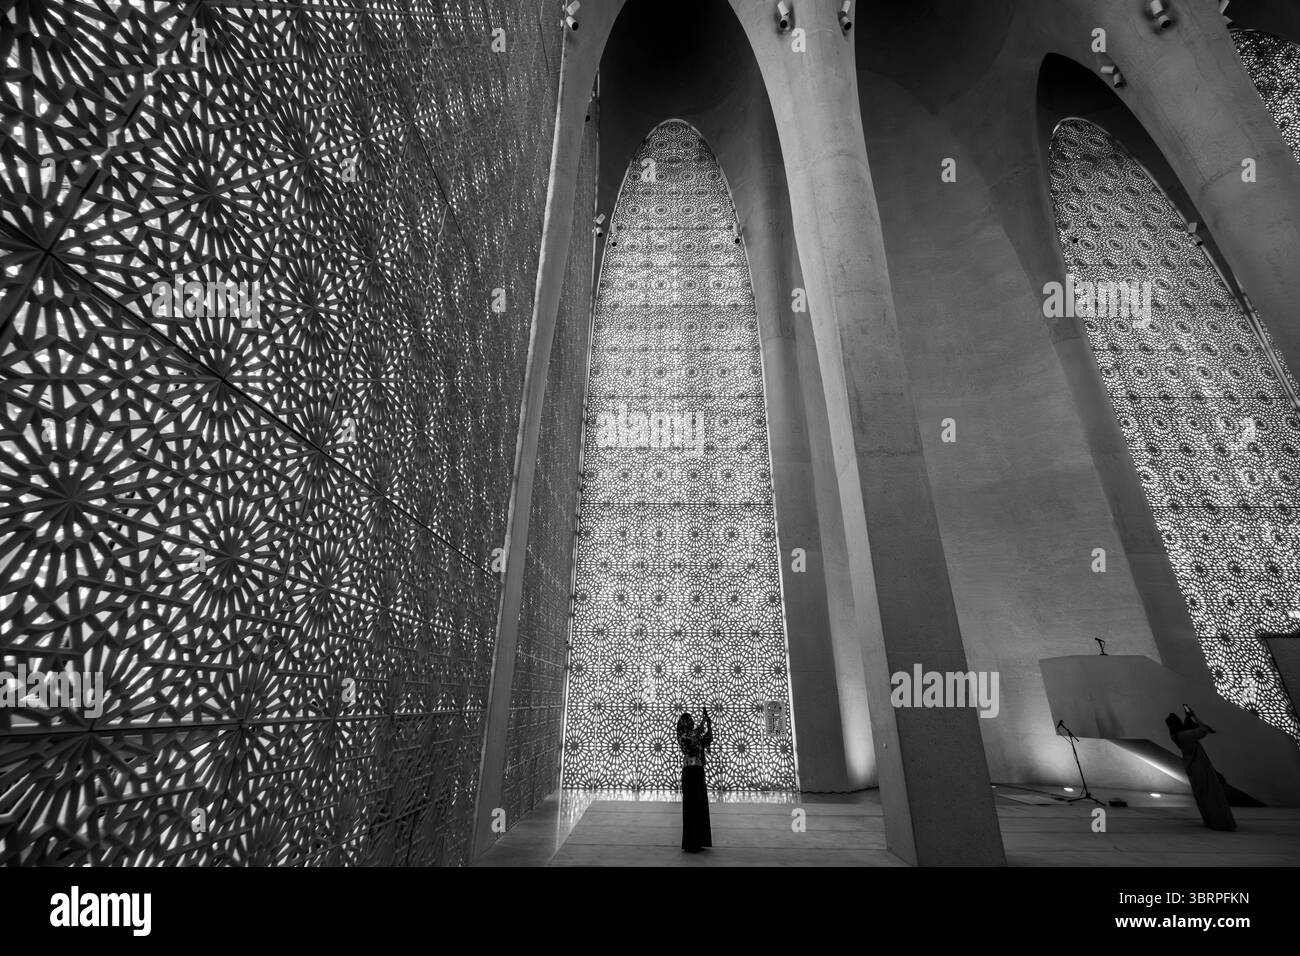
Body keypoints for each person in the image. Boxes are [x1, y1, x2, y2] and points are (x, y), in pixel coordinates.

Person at [1165, 706, 1236, 831]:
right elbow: (1205, 729)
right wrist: (1193, 716)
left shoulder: (1175, 736)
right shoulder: (1187, 735)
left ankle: (1210, 821)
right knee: (1212, 794)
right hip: (1200, 766)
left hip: (1191, 767)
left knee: (1202, 796)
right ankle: (1221, 822)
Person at [677, 708, 713, 852]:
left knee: (700, 806)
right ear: (684, 723)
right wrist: (703, 723)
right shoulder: (683, 735)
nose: (692, 721)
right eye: (689, 720)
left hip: (698, 771)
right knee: (691, 808)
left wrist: (709, 725)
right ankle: (691, 843)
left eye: (692, 719)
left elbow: (707, 740)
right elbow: (691, 741)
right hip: (690, 772)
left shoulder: (694, 734)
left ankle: (699, 841)